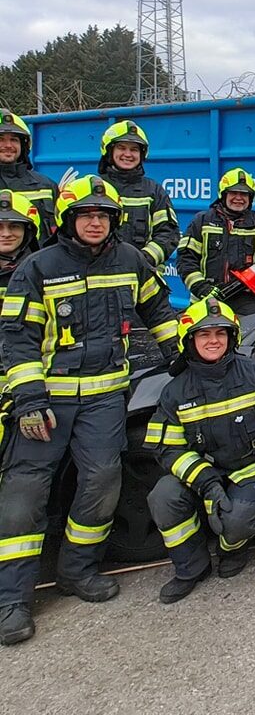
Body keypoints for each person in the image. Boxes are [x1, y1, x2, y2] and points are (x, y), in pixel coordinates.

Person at [0, 176, 178, 646]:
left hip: (105, 398)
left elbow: (159, 312)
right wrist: (29, 399)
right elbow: (17, 340)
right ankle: (11, 601)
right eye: (86, 215)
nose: (95, 222)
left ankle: (77, 571)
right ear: (68, 219)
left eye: (103, 215)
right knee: (25, 495)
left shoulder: (131, 260)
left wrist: (184, 365)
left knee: (102, 481)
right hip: (48, 403)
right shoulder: (38, 268)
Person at [145, 296, 255, 603]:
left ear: (232, 337)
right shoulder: (175, 392)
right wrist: (207, 482)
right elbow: (168, 449)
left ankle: (233, 549)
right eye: (204, 334)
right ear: (189, 340)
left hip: (252, 467)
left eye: (220, 333)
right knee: (163, 496)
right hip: (205, 472)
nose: (213, 340)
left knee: (236, 521)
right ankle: (191, 568)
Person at [177, 167, 255, 315]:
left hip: (246, 297)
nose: (239, 198)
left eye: (244, 194)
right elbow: (185, 259)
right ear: (223, 194)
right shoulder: (202, 221)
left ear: (251, 198)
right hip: (207, 296)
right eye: (233, 193)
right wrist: (201, 287)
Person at [98, 120, 179, 267]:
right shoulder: (95, 188)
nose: (128, 154)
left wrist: (143, 260)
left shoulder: (153, 191)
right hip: (99, 274)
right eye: (121, 148)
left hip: (144, 277)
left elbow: (168, 234)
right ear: (109, 151)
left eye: (134, 149)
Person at [0, 191, 42, 390]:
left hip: (30, 381)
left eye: (14, 226)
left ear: (29, 231)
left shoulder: (43, 272)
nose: (6, 233)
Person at [0, 109, 58, 242]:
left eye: (14, 140)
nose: (8, 145)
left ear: (23, 145)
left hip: (41, 256)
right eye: (1, 139)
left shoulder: (46, 185)